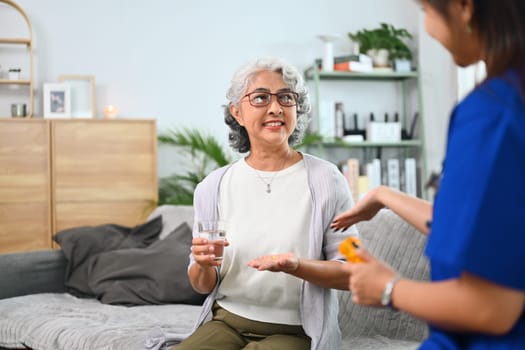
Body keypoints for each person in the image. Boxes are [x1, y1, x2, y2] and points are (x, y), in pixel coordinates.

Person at [331, 0, 525, 348]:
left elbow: (493, 307)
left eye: (427, 12)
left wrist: (389, 288)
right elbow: (486, 230)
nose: (429, 30)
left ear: (464, 7)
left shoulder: (492, 113)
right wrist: (382, 194)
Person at [172, 57, 358, 350]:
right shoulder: (212, 187)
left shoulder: (327, 181)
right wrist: (204, 266)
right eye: (260, 98)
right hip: (226, 321)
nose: (275, 108)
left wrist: (297, 266)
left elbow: (352, 270)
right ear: (237, 113)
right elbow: (202, 284)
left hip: (297, 330)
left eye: (286, 97)